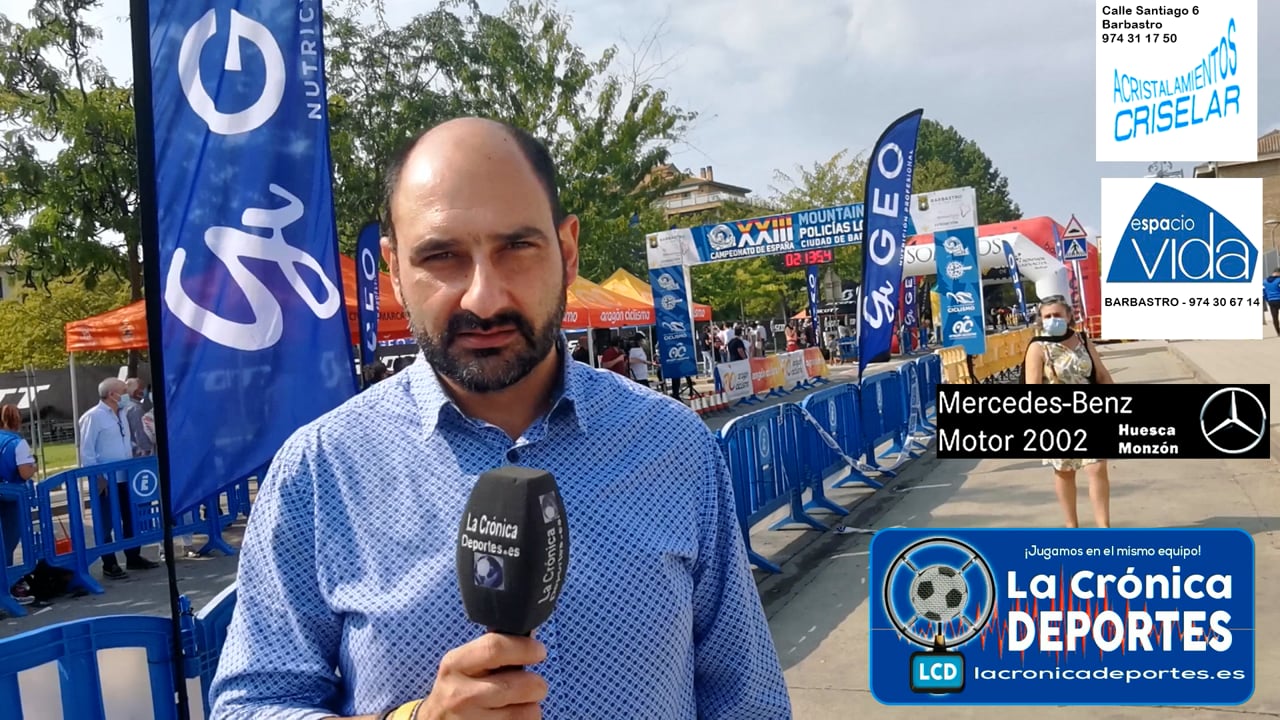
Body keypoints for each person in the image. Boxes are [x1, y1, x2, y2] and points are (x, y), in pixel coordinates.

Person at [209, 117, 790, 720]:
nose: (483, 299)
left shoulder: (675, 447)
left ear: (566, 252)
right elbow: (253, 704)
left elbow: (747, 697)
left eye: (516, 248)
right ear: (395, 271)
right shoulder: (320, 470)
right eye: (441, 256)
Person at [1022, 296, 1116, 529]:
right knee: (1064, 471)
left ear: (1068, 316)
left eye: (1057, 315)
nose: (1053, 320)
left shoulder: (1082, 340)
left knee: (1097, 467)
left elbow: (1101, 375)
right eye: (1048, 316)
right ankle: (1071, 526)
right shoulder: (1038, 347)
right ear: (1041, 320)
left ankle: (1104, 528)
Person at [77, 378, 159, 578]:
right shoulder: (93, 417)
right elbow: (87, 452)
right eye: (123, 391)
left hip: (126, 476)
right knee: (106, 521)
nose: (126, 394)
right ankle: (109, 563)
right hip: (106, 479)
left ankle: (133, 556)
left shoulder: (122, 413)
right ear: (112, 394)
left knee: (130, 517)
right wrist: (97, 478)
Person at [0, 404, 37, 606]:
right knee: (7, 544)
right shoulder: (18, 443)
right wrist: (34, 467)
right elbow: (24, 473)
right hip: (11, 497)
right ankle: (6, 589)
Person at [1264, 268, 1280, 336]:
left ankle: (1278, 332)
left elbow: (1264, 293)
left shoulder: (1264, 281)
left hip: (1271, 301)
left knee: (1275, 317)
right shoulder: (1279, 280)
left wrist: (1267, 300)